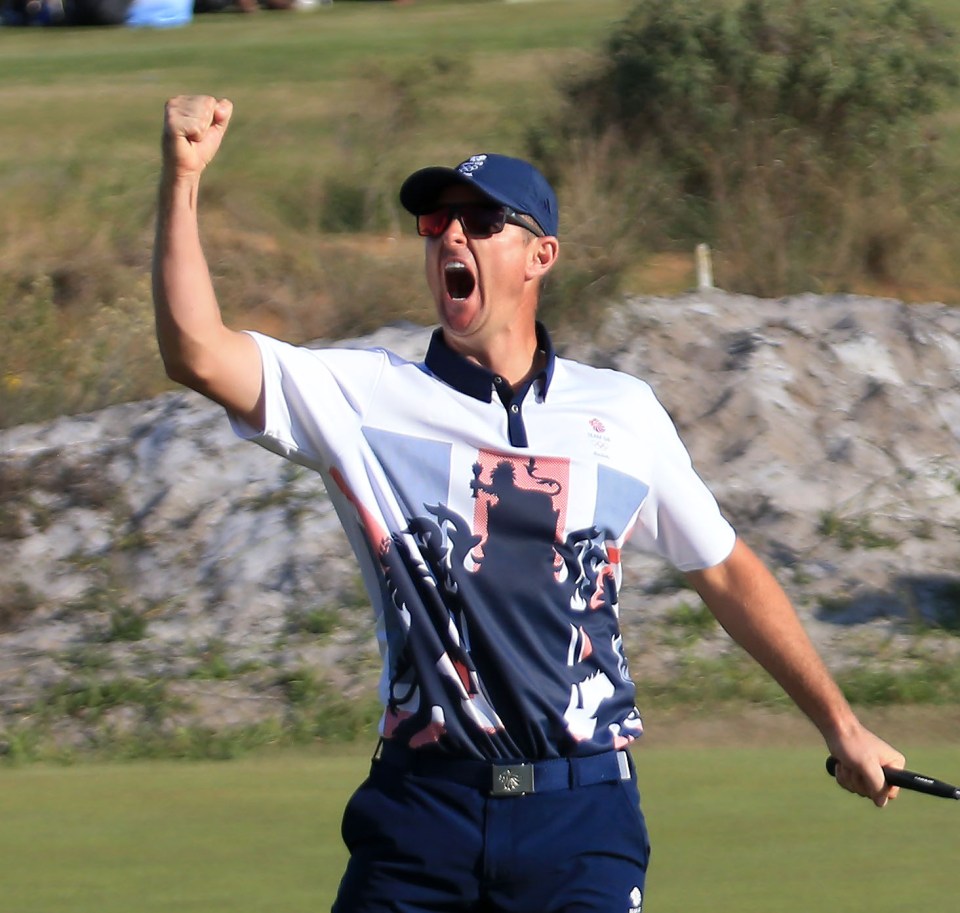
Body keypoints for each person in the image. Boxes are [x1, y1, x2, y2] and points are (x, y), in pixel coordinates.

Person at [153, 94, 906, 913]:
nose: (451, 235)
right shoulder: (362, 396)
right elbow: (196, 350)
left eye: (480, 221)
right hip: (420, 813)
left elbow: (724, 571)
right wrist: (182, 176)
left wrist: (841, 724)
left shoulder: (621, 410)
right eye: (437, 221)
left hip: (579, 817)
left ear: (539, 254)